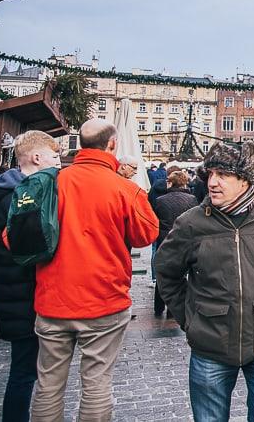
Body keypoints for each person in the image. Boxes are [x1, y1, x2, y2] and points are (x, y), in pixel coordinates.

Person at [156, 142, 254, 421]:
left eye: (223, 175)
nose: (213, 182)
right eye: (209, 174)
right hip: (210, 341)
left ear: (246, 179)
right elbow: (166, 271)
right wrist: (190, 318)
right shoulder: (192, 223)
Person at [30, 119, 160, 421]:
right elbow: (147, 235)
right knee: (97, 384)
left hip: (52, 300)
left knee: (48, 386)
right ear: (112, 145)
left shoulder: (50, 184)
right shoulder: (126, 189)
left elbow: (15, 237)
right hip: (104, 300)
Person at [0, 131, 61, 422]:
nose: (59, 161)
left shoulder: (5, 192)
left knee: (24, 371)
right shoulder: (23, 198)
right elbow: (33, 250)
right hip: (26, 299)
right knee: (24, 373)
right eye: (55, 156)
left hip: (15, 297)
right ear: (36, 157)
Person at [150, 170, 198, 317]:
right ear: (184, 183)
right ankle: (173, 310)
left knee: (163, 273)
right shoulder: (192, 199)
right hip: (184, 239)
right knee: (181, 274)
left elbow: (153, 218)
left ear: (170, 182)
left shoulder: (160, 200)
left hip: (164, 239)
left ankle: (158, 307)